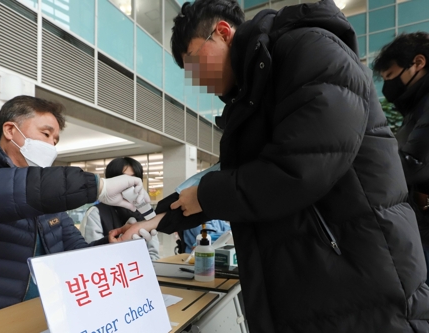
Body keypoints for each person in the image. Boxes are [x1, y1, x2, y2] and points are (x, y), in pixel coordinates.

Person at [114, 0, 429, 331]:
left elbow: (298, 170)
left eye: (195, 64)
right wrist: (149, 222)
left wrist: (206, 195)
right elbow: (239, 182)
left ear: (222, 32)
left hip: (359, 281)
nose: (197, 81)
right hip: (315, 281)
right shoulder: (252, 94)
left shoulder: (310, 51)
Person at [0, 96, 150, 332]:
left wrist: (112, 244)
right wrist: (97, 186)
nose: (51, 146)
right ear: (11, 130)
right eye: (46, 134)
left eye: (55, 140)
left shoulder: (50, 205)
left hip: (38, 319)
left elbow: (76, 254)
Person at [372, 32, 429, 283]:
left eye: (391, 76)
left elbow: (414, 165)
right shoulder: (416, 105)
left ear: (418, 62)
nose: (387, 86)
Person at [80, 157, 160, 260]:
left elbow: (153, 254)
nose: (129, 184)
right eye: (123, 179)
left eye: (133, 179)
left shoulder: (144, 211)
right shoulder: (96, 212)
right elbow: (91, 254)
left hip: (139, 271)